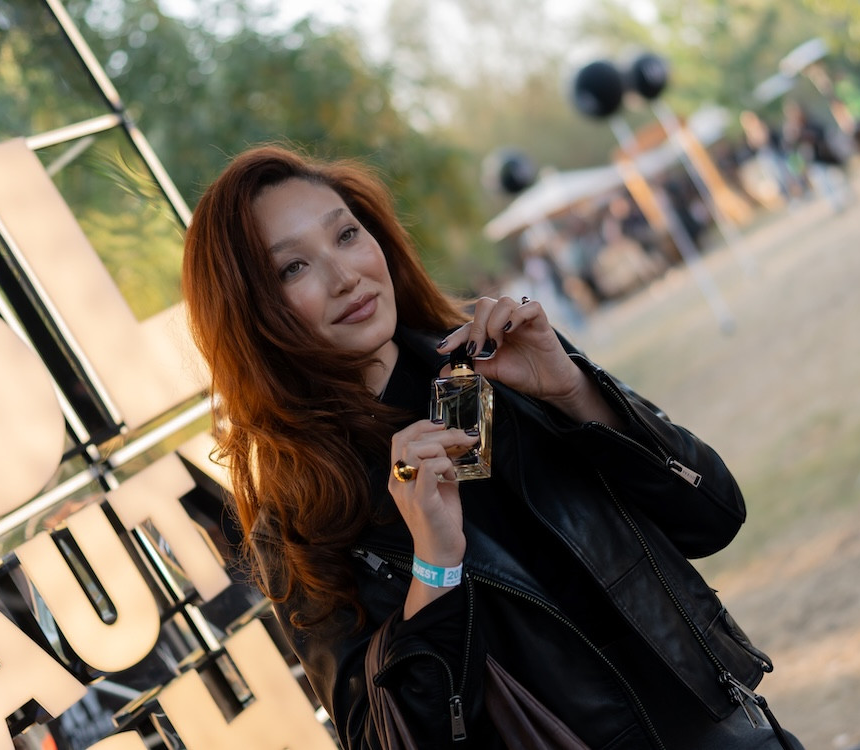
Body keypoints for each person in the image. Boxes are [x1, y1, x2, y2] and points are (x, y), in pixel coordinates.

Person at [181, 144, 806, 750]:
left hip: (717, 725)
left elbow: (713, 515)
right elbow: (381, 736)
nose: (346, 276)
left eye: (346, 235)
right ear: (250, 313)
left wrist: (576, 394)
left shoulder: (500, 361)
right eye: (293, 268)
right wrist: (434, 564)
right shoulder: (299, 523)